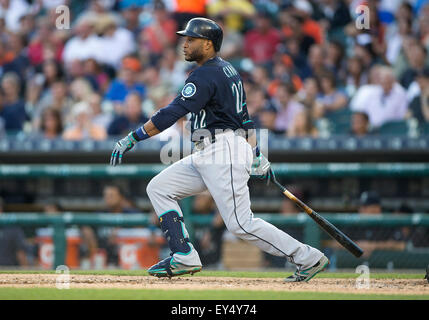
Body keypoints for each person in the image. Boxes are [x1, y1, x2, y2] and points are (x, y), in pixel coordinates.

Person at [110, 17, 329, 282]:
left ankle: (307, 257)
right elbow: (245, 119)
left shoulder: (206, 74)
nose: (185, 44)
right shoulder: (229, 71)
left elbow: (172, 113)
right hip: (211, 151)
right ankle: (184, 255)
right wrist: (257, 154)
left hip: (223, 151)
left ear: (208, 44)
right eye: (185, 39)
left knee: (240, 224)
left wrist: (134, 137)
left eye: (192, 39)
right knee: (159, 188)